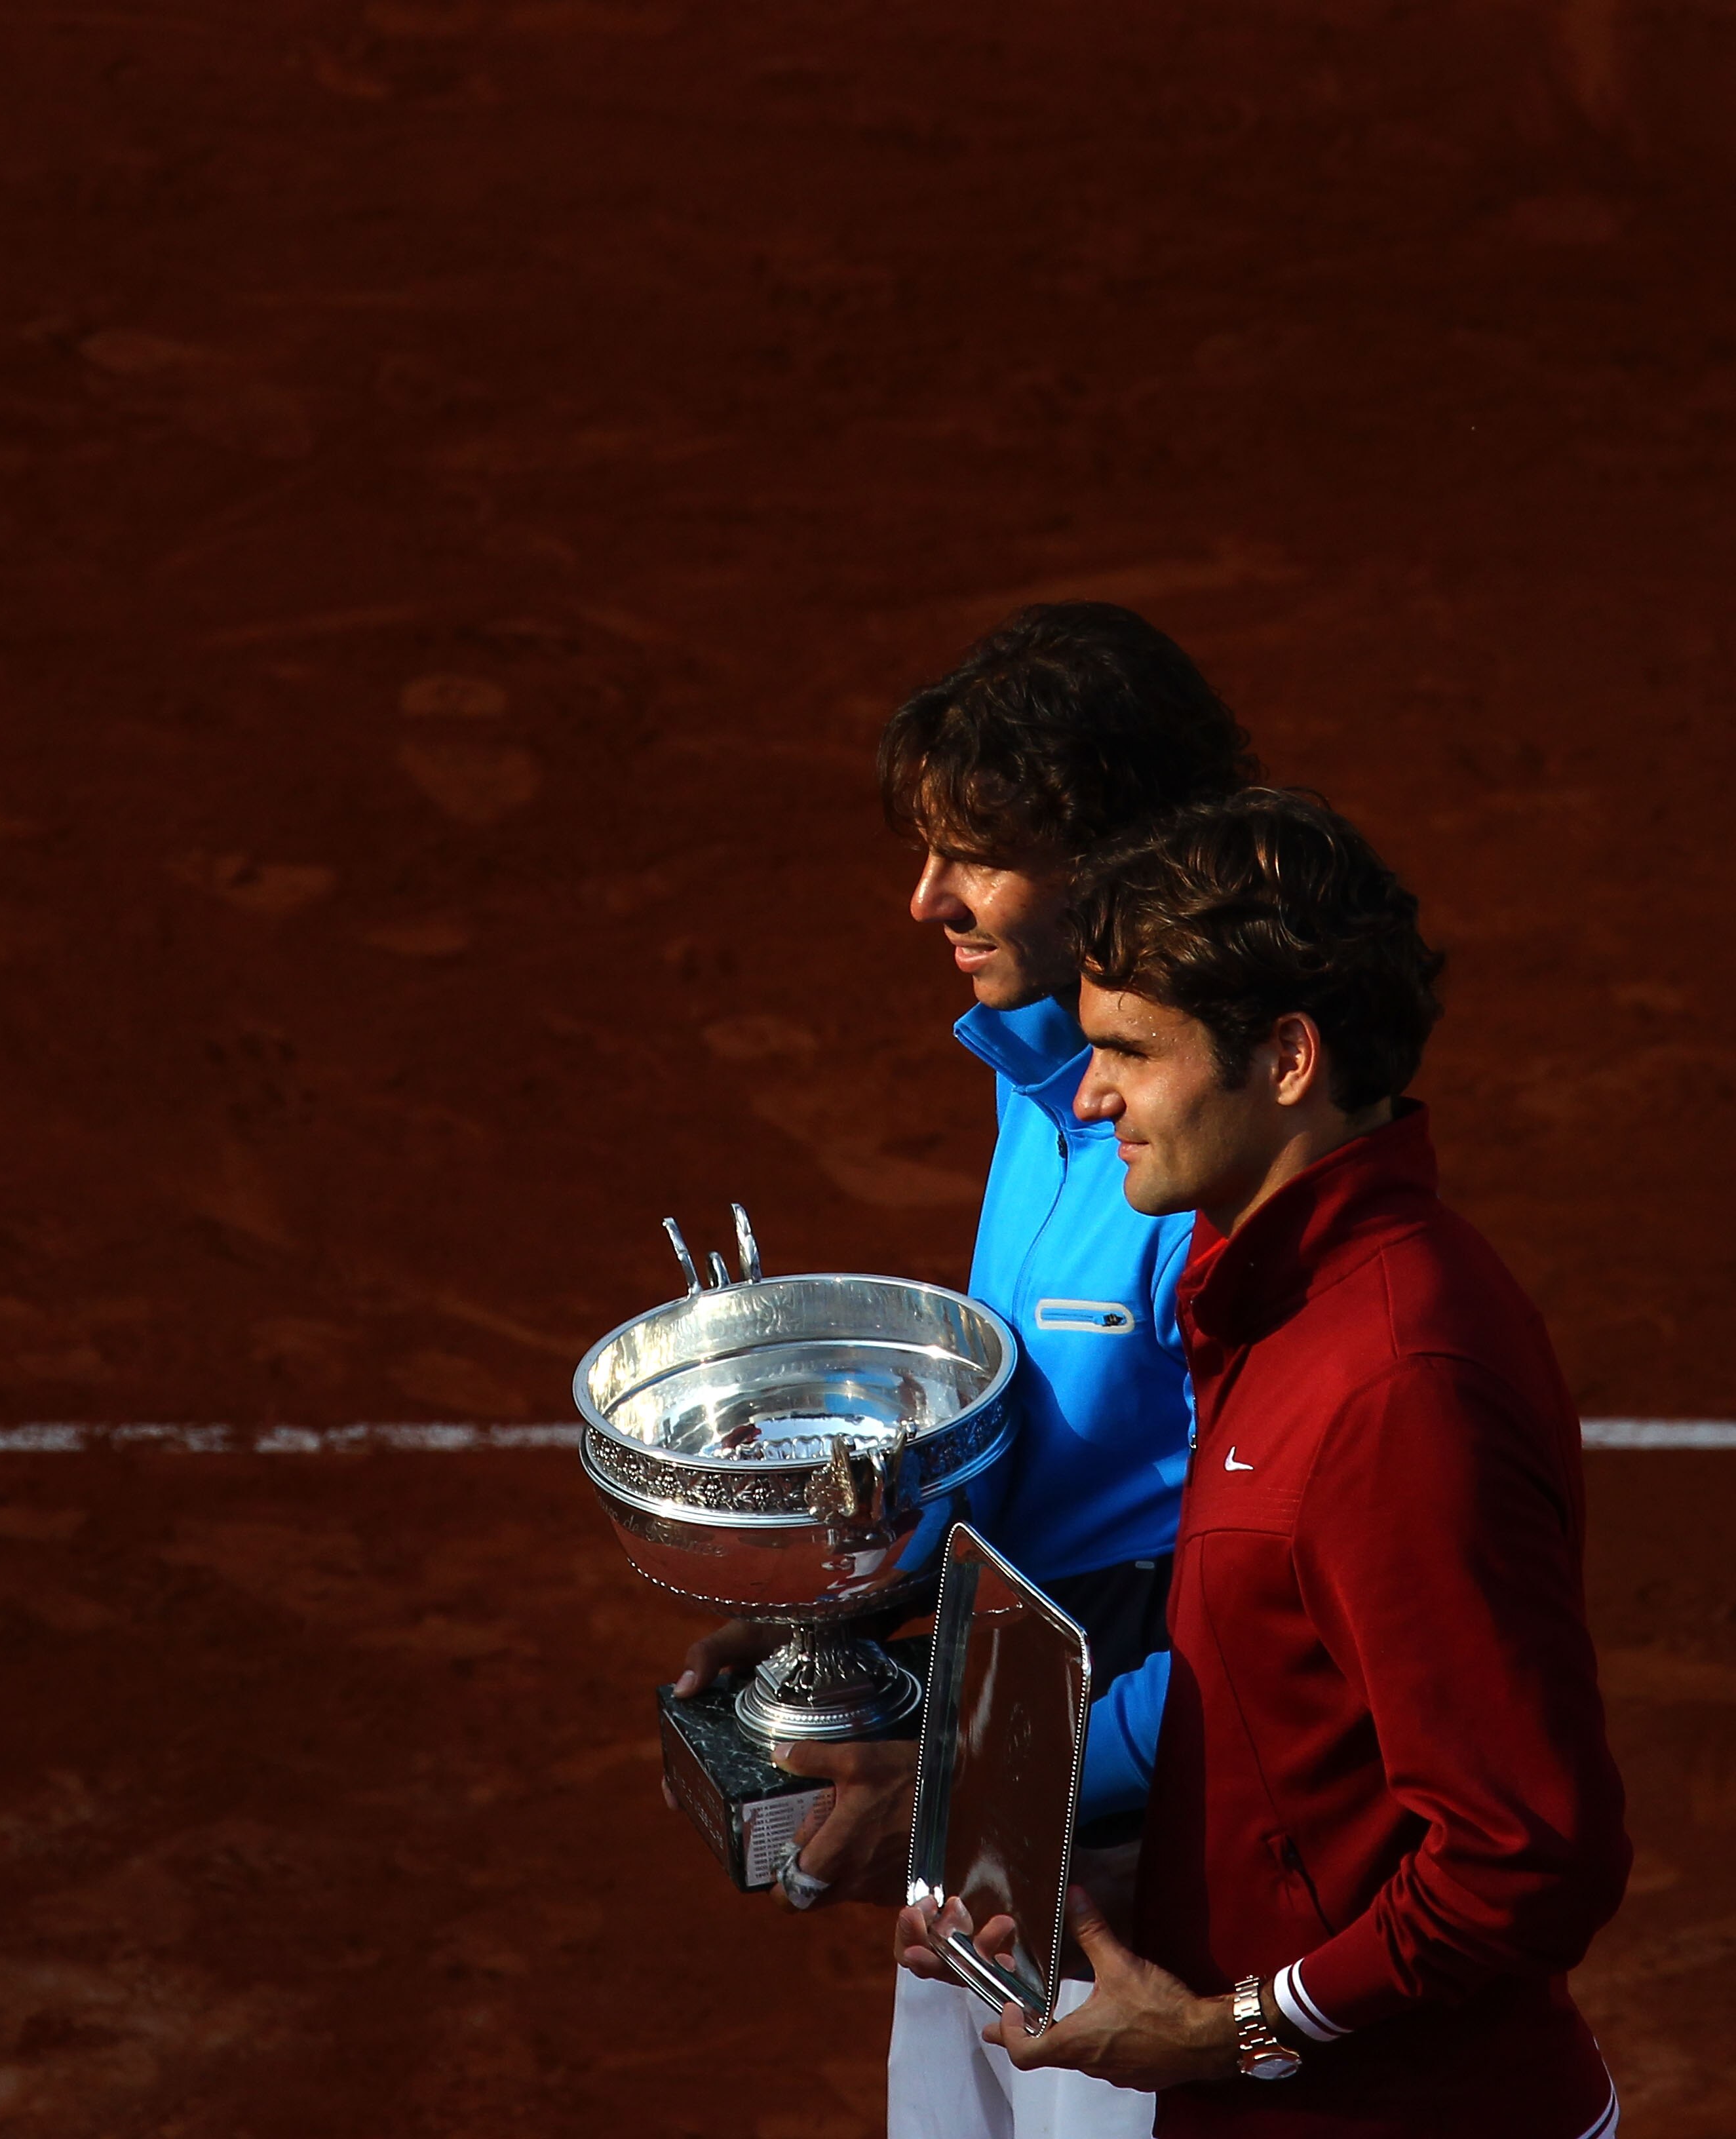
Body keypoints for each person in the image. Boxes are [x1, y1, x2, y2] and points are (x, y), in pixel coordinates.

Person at [900, 789, 1630, 2136]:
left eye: (1130, 1050)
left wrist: (1231, 2027)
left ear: (1287, 1059)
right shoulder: (1261, 1298)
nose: (1095, 1090)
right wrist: (1137, 1894)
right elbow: (1290, 1735)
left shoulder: (1399, 1392)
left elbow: (1521, 1860)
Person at [669, 603, 1257, 2139]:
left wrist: (979, 1772)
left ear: (1120, 857)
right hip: (1011, 1734)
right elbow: (1046, 1470)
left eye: (974, 856)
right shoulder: (1032, 1079)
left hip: (1135, 1843)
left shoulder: (1206, 1169)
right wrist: (851, 1622)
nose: (924, 897)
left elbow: (1256, 1605)